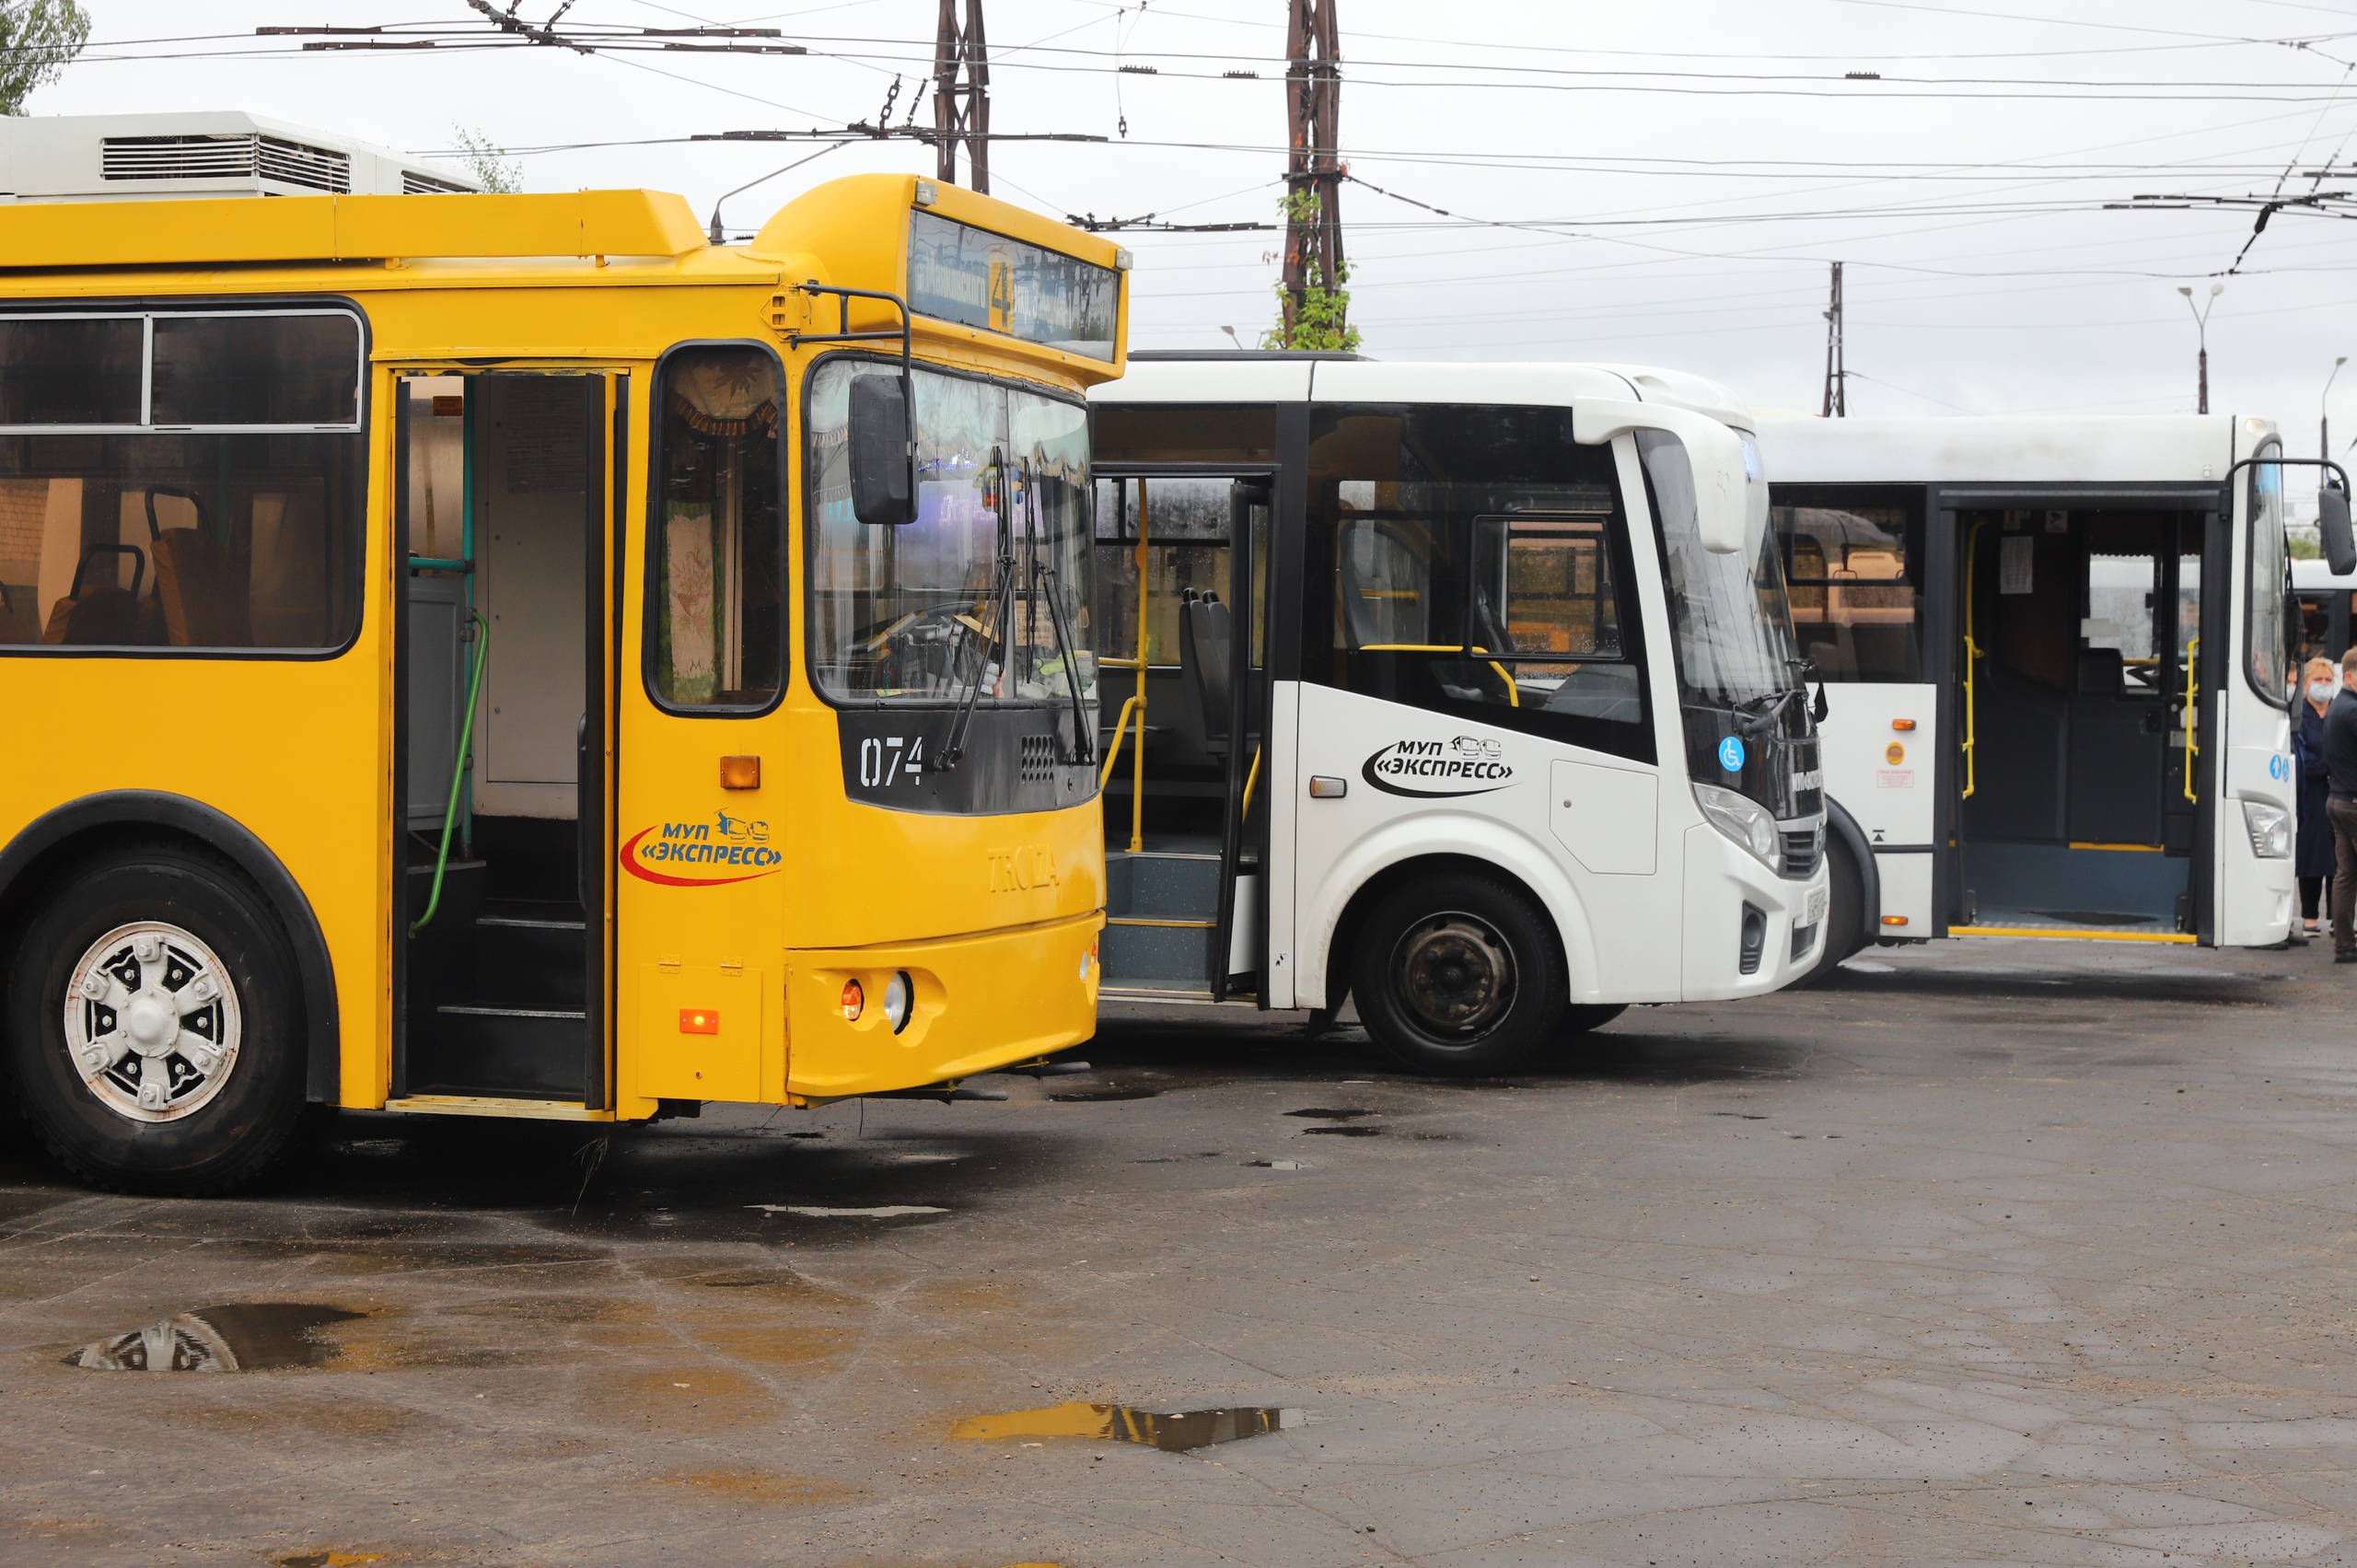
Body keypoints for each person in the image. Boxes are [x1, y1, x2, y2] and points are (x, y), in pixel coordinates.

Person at [2297, 656, 2339, 935]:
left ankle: (2339, 917)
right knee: (2311, 855)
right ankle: (2309, 916)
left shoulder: (2340, 712)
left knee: (2341, 858)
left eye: (2327, 680)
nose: (2323, 685)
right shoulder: (2299, 716)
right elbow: (2300, 756)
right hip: (2310, 795)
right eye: (2317, 680)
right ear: (2306, 684)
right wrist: (2329, 768)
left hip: (2339, 793)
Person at [2328, 646, 2357, 963]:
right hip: (2353, 803)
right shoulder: (2353, 710)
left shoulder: (2337, 707)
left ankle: (2345, 945)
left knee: (2346, 876)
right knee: (2347, 876)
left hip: (2337, 799)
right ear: (2349, 676)